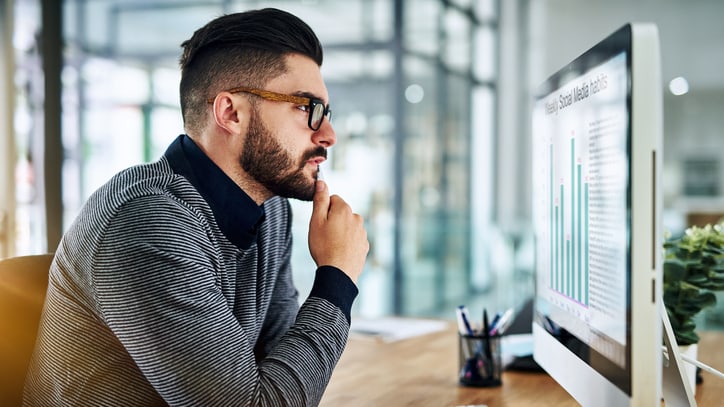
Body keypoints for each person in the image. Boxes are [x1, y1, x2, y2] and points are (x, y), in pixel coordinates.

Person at [23, 8, 369, 406]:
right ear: (230, 113)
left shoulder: (270, 210)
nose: (328, 134)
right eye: (307, 108)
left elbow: (283, 376)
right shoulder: (146, 221)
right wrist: (337, 277)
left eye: (325, 113)